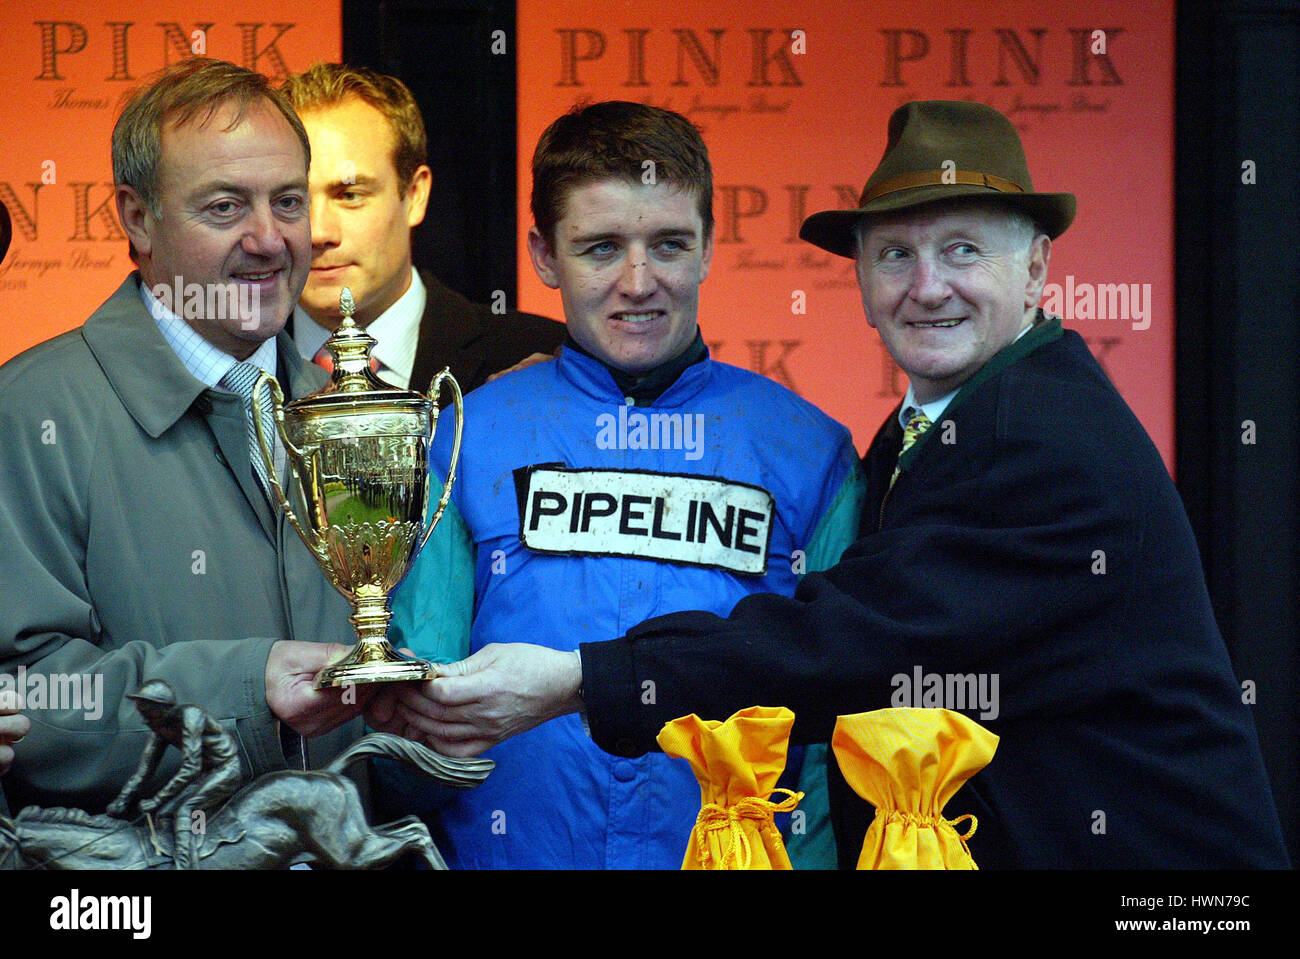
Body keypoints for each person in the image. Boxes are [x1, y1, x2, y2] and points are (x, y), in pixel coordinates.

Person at [381, 100, 1290, 869]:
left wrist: (583, 677)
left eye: (965, 250)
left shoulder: (1026, 436)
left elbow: (845, 650)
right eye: (895, 255)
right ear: (543, 257)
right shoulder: (920, 432)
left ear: (1040, 270)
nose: (927, 286)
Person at [378, 101, 865, 869]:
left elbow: (837, 735)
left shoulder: (811, 452)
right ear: (544, 256)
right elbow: (422, 715)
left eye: (667, 244)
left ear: (708, 247)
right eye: (601, 248)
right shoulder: (466, 439)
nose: (639, 282)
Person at [0, 58, 384, 816]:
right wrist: (248, 686)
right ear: (136, 218)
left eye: (287, 202)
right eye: (224, 207)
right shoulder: (33, 409)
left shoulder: (346, 410)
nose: (270, 239)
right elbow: (26, 693)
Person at [279, 63, 565, 393]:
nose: (318, 233)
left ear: (415, 195)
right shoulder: (230, 368)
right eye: (291, 200)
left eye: (350, 195)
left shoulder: (539, 361)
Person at [107, 681, 242, 869]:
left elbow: (191, 767)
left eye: (148, 712)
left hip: (225, 769)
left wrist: (157, 799)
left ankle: (189, 865)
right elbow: (144, 771)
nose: (144, 719)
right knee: (164, 814)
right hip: (205, 773)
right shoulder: (160, 731)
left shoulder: (191, 716)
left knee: (187, 809)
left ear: (162, 709)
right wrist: (122, 799)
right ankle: (185, 850)